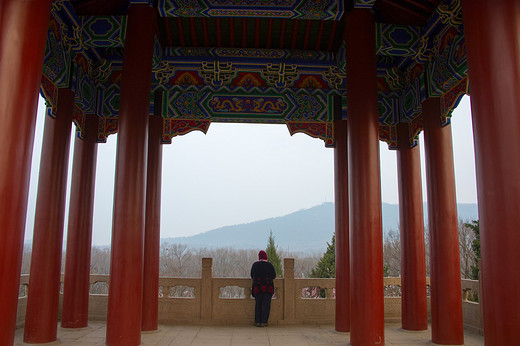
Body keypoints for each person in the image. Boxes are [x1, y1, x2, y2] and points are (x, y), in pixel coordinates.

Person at [250, 250, 276, 327]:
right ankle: (264, 322)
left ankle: (257, 321)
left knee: (258, 304)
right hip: (268, 288)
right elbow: (273, 276)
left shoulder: (255, 265)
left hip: (257, 288)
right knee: (266, 305)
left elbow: (252, 275)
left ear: (259, 257)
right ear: (266, 257)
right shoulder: (270, 265)